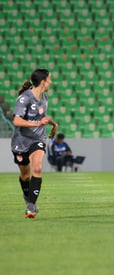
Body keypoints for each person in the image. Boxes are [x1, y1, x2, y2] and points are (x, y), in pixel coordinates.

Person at [11, 68, 58, 218]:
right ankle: (28, 199)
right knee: (25, 175)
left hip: (37, 139)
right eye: (49, 79)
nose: (51, 82)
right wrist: (36, 124)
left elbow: (41, 117)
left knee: (37, 168)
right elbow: (16, 120)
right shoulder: (25, 98)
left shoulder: (45, 98)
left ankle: (31, 207)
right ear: (43, 82)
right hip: (21, 141)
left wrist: (53, 124)